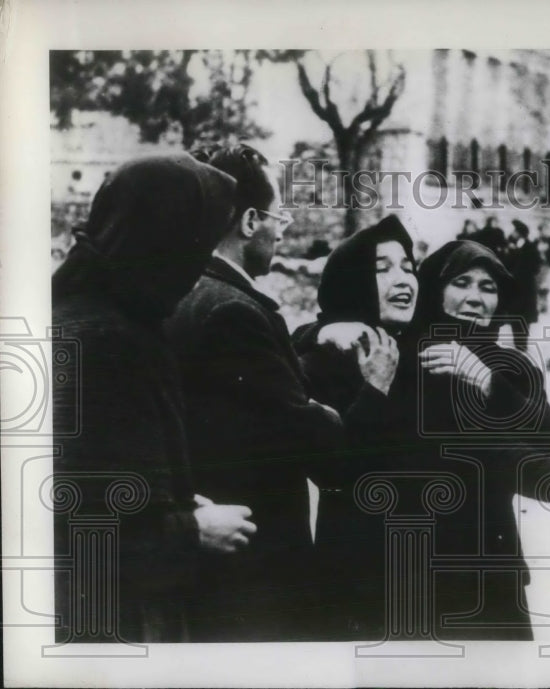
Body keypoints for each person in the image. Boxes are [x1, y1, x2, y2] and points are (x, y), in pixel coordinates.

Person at [164, 144, 392, 641]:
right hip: (253, 573)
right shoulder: (236, 312)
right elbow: (324, 451)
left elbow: (257, 389)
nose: (284, 225)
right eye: (279, 213)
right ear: (249, 221)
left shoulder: (187, 291)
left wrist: (313, 338)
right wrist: (374, 386)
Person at [52, 154, 256, 643]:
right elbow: (80, 530)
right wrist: (193, 530)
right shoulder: (108, 342)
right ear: (166, 241)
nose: (200, 265)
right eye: (197, 245)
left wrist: (175, 502)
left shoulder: (99, 313)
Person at [414, 240, 550, 639]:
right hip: (411, 558)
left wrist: (484, 380)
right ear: (434, 288)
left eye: (488, 287)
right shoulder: (403, 350)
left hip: (488, 560)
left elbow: (549, 442)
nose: (475, 298)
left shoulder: (511, 367)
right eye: (461, 283)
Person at [290, 214, 418, 640]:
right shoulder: (323, 363)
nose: (403, 280)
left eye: (408, 267)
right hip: (358, 571)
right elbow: (337, 468)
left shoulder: (422, 349)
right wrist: (374, 389)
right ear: (351, 281)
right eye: (382, 269)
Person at [505, 219, 542, 351]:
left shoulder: (530, 247)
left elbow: (536, 266)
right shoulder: (511, 247)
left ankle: (522, 345)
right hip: (515, 289)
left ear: (520, 233)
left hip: (526, 289)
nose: (512, 233)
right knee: (515, 316)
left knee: (524, 318)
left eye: (515, 231)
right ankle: (518, 344)